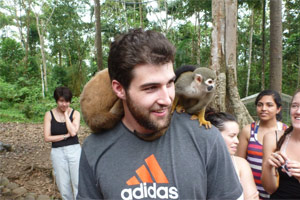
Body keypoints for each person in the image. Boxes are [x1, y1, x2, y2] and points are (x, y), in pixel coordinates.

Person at [77, 29, 242, 200]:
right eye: (151, 88)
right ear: (120, 89)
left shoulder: (207, 140)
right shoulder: (95, 149)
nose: (166, 99)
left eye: (170, 83)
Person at [236, 90, 288, 199]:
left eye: (269, 105)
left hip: (279, 193)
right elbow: (238, 163)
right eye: (260, 105)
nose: (263, 108)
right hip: (252, 193)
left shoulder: (285, 132)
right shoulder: (248, 130)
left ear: (278, 109)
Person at [206, 112, 259, 200]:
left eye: (237, 136)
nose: (237, 141)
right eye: (232, 136)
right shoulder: (199, 165)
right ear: (214, 135)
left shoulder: (241, 164)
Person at [43, 86, 81, 200]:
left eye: (67, 101)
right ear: (56, 100)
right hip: (57, 152)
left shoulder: (75, 113)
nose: (64, 104)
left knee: (78, 183)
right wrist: (65, 136)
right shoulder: (49, 115)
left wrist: (65, 115)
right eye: (61, 101)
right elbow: (47, 137)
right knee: (63, 186)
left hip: (74, 150)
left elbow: (73, 132)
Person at [261, 89, 300, 199]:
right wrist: (268, 166)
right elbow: (269, 189)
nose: (298, 111)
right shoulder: (273, 138)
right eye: (295, 106)